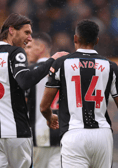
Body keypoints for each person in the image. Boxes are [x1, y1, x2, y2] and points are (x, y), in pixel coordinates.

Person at [0, 13, 67, 168]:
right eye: (27, 33)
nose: (30, 38)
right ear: (11, 30)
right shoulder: (15, 53)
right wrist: (52, 60)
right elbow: (25, 81)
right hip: (18, 134)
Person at [40, 19, 118, 168]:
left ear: (75, 38)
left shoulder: (62, 64)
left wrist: (50, 118)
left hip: (74, 134)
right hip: (103, 135)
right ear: (97, 40)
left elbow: (44, 106)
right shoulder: (110, 66)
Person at [25, 32, 64, 168]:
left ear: (41, 47)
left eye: (29, 47)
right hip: (64, 134)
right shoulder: (64, 69)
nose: (26, 51)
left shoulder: (29, 73)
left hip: (39, 135)